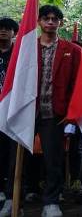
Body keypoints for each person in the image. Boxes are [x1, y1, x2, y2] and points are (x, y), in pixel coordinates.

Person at [0, 6, 82, 217]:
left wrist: (71, 113)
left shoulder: (72, 50)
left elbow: (77, 83)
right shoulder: (25, 47)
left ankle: (51, 202)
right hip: (25, 111)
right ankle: (12, 199)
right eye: (46, 18)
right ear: (38, 21)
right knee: (16, 158)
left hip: (54, 113)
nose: (51, 22)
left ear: (60, 23)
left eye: (55, 19)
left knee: (53, 160)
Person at [0, 18, 18, 204]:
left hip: (13, 110)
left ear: (14, 32)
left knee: (12, 152)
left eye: (8, 29)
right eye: (1, 28)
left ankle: (11, 191)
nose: (3, 31)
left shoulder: (19, 53)